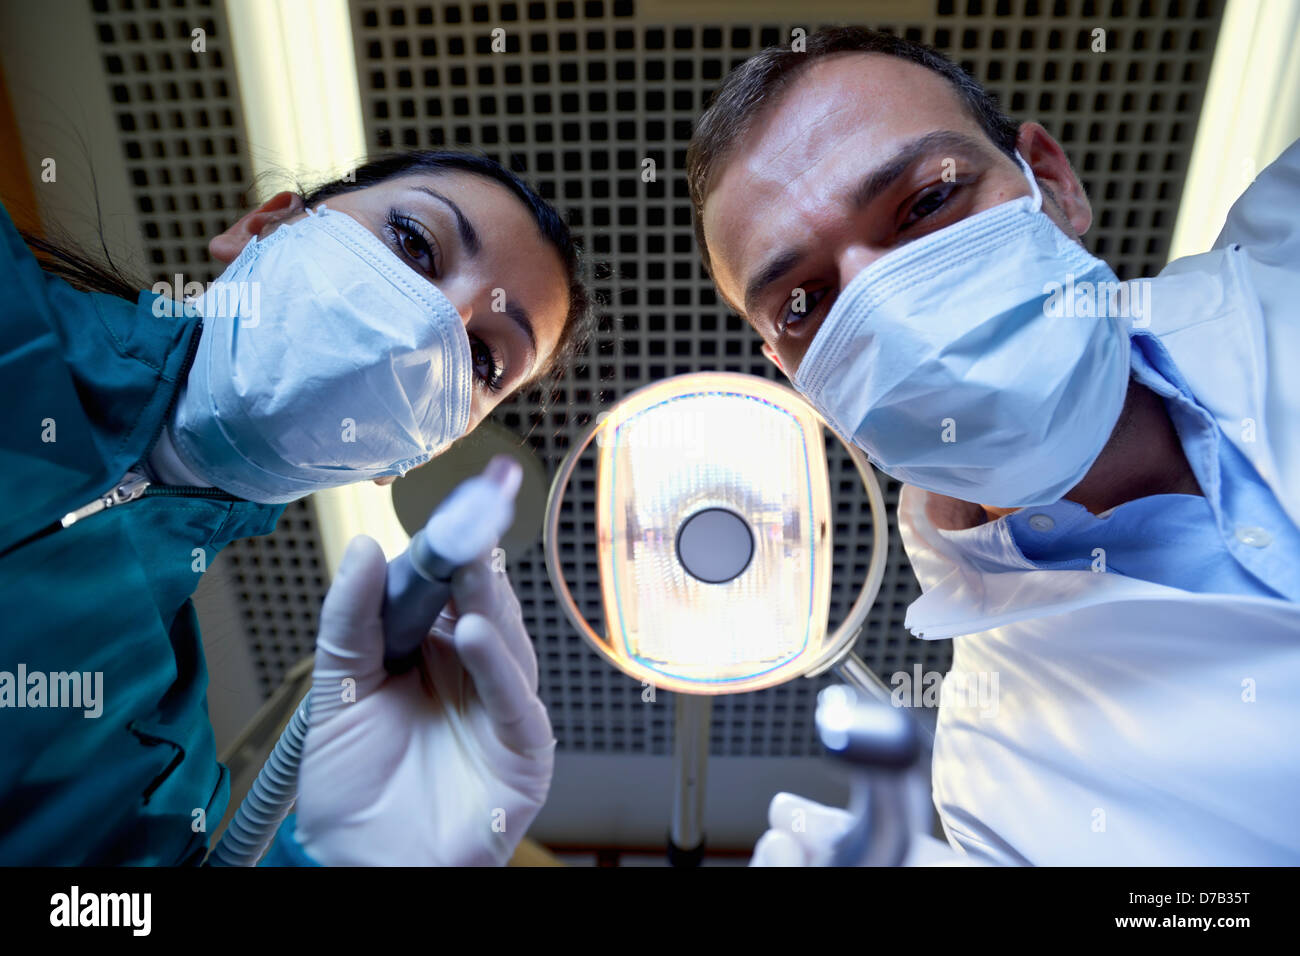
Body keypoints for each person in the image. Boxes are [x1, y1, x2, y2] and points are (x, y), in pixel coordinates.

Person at [687, 27, 1300, 865]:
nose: (888, 310)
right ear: (803, 384)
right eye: (803, 304)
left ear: (1050, 183)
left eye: (926, 203)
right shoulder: (996, 795)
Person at [0, 150, 590, 865]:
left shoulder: (154, 768)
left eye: (481, 358)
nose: (425, 330)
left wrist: (346, 856)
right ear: (262, 226)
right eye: (414, 242)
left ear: (424, 451)